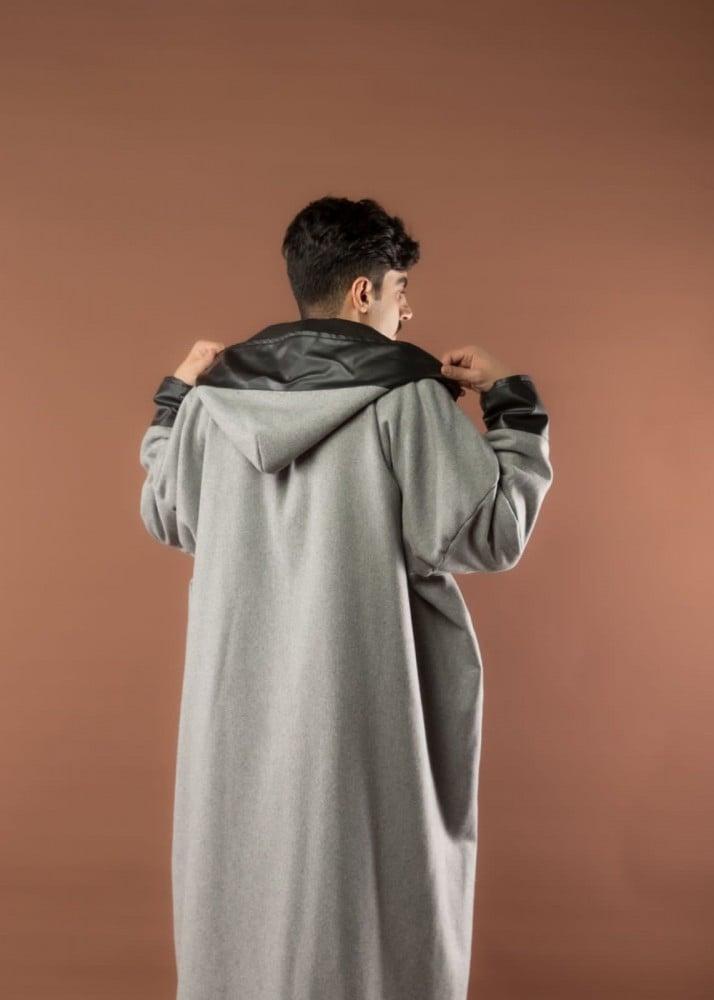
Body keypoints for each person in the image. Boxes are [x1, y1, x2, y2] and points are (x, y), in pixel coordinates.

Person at [138, 195, 554, 1000]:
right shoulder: (406, 398)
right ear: (364, 293)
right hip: (364, 721)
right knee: (368, 921)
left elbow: (166, 512)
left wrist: (172, 402)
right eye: (401, 290)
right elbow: (491, 532)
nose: (408, 311)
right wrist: (514, 407)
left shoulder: (213, 404)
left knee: (246, 908)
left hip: (239, 724)